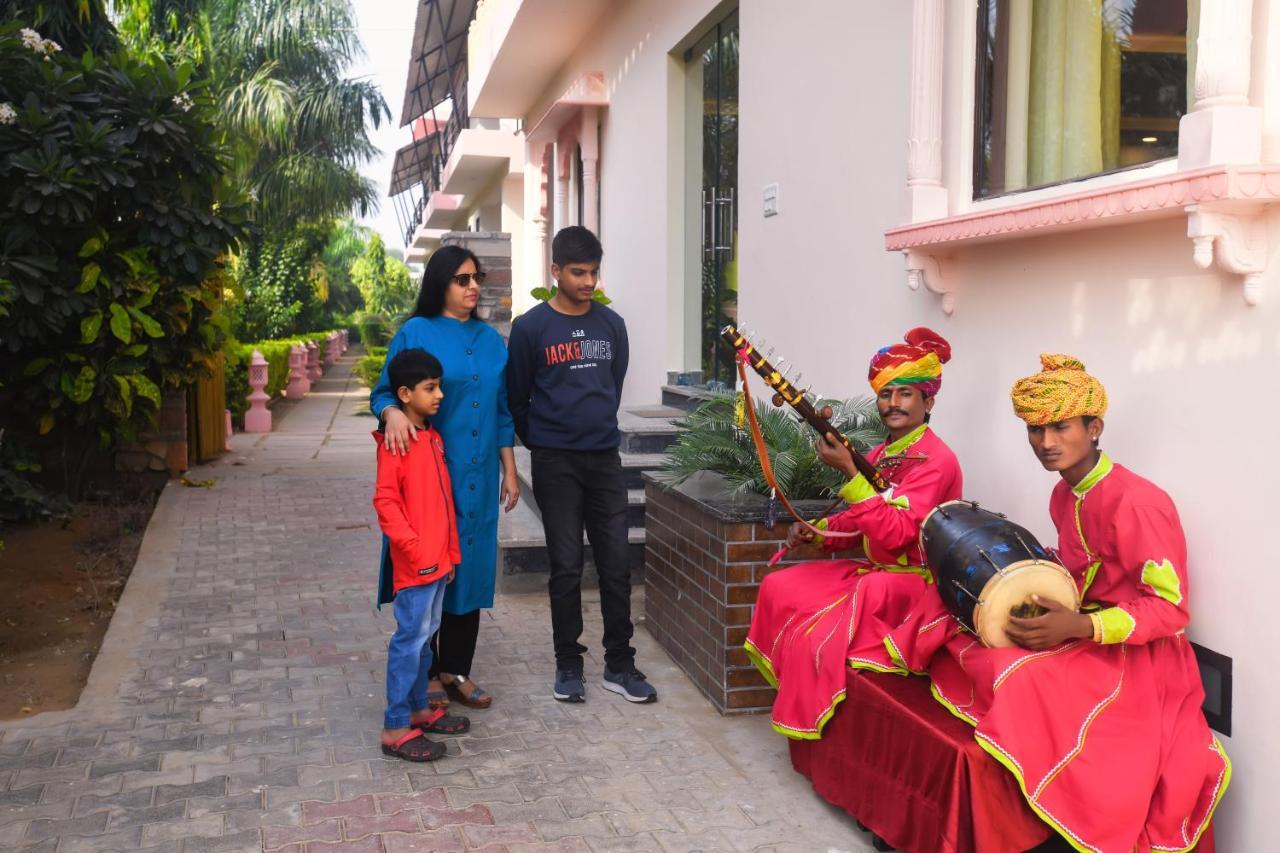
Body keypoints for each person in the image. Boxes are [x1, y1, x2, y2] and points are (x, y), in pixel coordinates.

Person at [922, 354, 1230, 852]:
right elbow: (1077, 574)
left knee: (1019, 680)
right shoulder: (1064, 496)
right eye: (1034, 430)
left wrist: (1077, 628)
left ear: (1094, 427)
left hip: (1143, 658)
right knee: (972, 645)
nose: (1046, 443)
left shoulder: (1139, 502)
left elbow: (1171, 612)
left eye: (1060, 427)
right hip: (1085, 630)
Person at [744, 328, 963, 739]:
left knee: (815, 636)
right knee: (780, 586)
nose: (892, 403)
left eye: (905, 394)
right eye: (885, 394)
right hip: (874, 574)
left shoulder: (937, 459)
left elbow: (898, 535)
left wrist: (848, 471)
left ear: (928, 401)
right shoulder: (882, 454)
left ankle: (817, 721)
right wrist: (818, 532)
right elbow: (858, 518)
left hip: (910, 585)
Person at [506, 226, 656, 704]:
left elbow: (614, 381)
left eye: (593, 272)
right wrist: (543, 441)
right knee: (566, 566)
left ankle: (620, 664)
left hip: (604, 459)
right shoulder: (531, 329)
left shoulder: (612, 326)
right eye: (578, 272)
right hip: (555, 463)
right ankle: (568, 664)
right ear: (555, 272)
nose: (589, 281)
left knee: (616, 564)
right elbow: (517, 397)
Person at [371, 246, 519, 712]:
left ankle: (457, 667)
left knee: (471, 570)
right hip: (428, 480)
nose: (473, 287)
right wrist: (392, 412)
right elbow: (382, 391)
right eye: (461, 279)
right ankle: (428, 670)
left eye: (476, 279)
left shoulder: (493, 341)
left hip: (478, 474)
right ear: (440, 283)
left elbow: (501, 411)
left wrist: (510, 469)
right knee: (428, 569)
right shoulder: (416, 332)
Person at [372, 348, 472, 761]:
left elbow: (444, 504)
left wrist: (448, 557)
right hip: (416, 568)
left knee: (424, 642)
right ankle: (396, 726)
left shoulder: (432, 438)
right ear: (405, 394)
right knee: (408, 643)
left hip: (437, 565)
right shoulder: (395, 444)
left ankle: (417, 709)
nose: (440, 396)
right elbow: (386, 504)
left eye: (439, 387)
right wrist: (416, 552)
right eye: (430, 389)